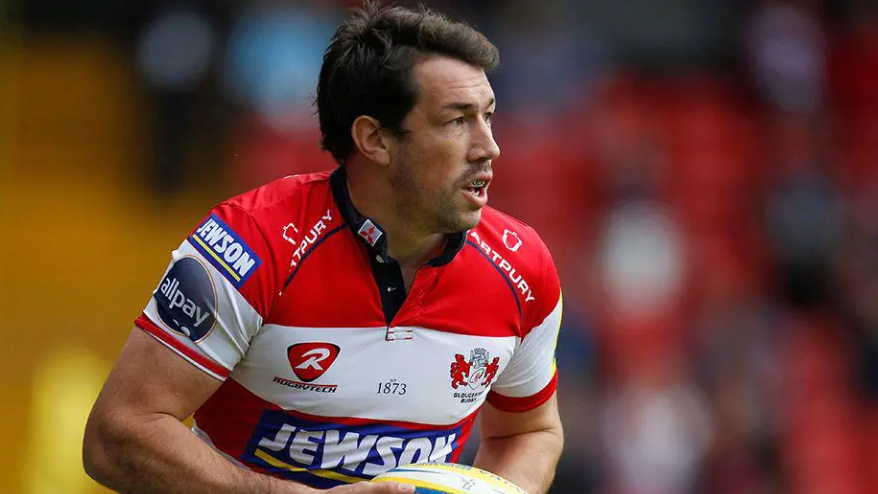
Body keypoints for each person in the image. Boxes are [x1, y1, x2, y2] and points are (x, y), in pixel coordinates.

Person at [83, 3, 564, 494]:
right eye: (457, 121)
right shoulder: (252, 245)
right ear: (374, 138)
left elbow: (531, 430)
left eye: (487, 117)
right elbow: (117, 435)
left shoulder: (523, 267)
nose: (489, 147)